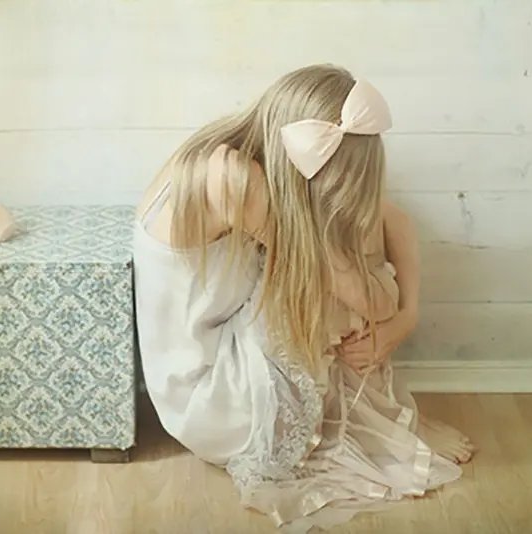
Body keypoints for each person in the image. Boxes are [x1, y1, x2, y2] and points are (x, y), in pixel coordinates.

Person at [132, 64, 475, 531]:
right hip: (209, 398)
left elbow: (392, 218)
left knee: (349, 240)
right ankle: (384, 428)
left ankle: (386, 419)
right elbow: (365, 299)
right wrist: (389, 316)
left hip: (229, 342)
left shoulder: (240, 149)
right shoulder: (233, 179)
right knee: (331, 282)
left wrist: (407, 317)